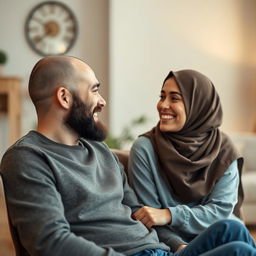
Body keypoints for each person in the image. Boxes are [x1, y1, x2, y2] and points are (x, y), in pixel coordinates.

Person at [0, 57, 255, 256]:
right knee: (239, 251)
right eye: (94, 90)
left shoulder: (99, 150)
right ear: (65, 97)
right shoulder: (28, 158)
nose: (102, 101)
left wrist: (177, 247)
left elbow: (137, 212)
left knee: (232, 229)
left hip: (159, 251)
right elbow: (49, 242)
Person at [128, 69, 245, 252]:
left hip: (222, 235)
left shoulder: (224, 148)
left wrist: (170, 214)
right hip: (176, 245)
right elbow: (148, 217)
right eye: (162, 96)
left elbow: (220, 212)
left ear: (199, 104)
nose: (163, 105)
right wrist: (178, 246)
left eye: (174, 98)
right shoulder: (145, 149)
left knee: (234, 231)